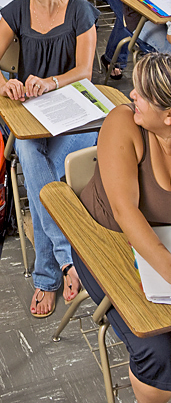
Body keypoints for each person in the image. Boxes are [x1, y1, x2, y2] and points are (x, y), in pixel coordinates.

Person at [0, 0, 99, 318]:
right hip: (32, 117)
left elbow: (84, 72)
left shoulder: (80, 11)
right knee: (34, 155)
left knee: (47, 177)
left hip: (74, 114)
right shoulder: (16, 9)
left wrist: (51, 83)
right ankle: (68, 261)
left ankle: (46, 275)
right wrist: (3, 84)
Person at [78, 52, 171, 402]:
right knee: (158, 351)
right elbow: (124, 211)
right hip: (106, 245)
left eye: (142, 94)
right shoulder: (124, 121)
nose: (131, 95)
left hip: (160, 244)